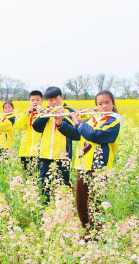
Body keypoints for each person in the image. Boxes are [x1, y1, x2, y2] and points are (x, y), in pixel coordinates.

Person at [59, 91, 121, 231]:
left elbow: (95, 135)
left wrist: (78, 122)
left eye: (107, 103)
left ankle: (97, 232)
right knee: (81, 201)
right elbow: (75, 133)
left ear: (113, 104)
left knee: (96, 202)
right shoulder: (92, 119)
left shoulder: (114, 121)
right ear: (96, 106)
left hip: (99, 167)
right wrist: (60, 123)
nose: (104, 107)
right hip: (83, 165)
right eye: (100, 104)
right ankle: (87, 229)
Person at [32, 87, 80, 202]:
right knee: (43, 181)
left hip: (63, 155)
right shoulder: (45, 112)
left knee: (64, 182)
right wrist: (45, 116)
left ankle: (65, 206)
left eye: (56, 99)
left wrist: (62, 117)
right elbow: (36, 127)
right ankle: (45, 206)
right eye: (50, 100)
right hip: (45, 154)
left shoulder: (69, 112)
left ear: (61, 98)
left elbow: (76, 134)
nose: (53, 103)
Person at [14, 90, 43, 174]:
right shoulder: (26, 115)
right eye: (32, 100)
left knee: (38, 176)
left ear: (42, 101)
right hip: (25, 152)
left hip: (39, 152)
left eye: (38, 100)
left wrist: (40, 113)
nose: (35, 102)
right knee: (27, 177)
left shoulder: (45, 114)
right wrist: (26, 114)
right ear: (29, 101)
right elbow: (18, 127)